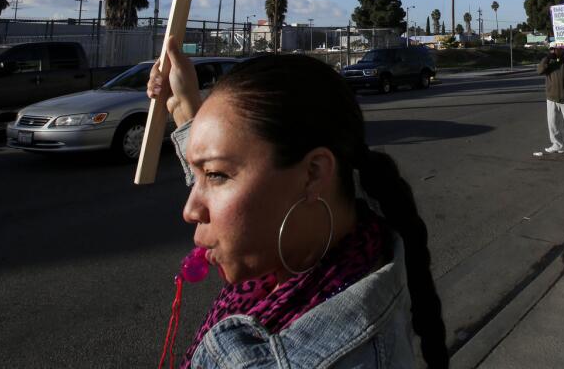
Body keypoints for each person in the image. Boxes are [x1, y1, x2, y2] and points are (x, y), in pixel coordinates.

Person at [147, 39, 449, 367]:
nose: (190, 210)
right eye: (199, 173)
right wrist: (185, 106)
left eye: (216, 175)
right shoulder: (358, 232)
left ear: (313, 174)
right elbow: (245, 172)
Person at [534, 45, 564, 156]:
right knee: (552, 124)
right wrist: (547, 58)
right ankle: (557, 145)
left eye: (557, 48)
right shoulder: (549, 61)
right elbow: (540, 70)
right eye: (552, 49)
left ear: (562, 49)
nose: (555, 50)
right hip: (552, 98)